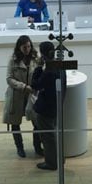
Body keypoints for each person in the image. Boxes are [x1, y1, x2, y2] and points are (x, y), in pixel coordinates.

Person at [3, 35, 42, 158]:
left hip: (31, 94)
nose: (27, 49)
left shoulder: (36, 58)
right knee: (15, 123)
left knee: (37, 122)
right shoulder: (12, 60)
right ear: (19, 47)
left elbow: (42, 72)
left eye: (29, 46)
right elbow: (9, 79)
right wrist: (23, 86)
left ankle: (37, 147)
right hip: (17, 95)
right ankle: (19, 147)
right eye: (25, 47)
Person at [32, 41, 66, 170]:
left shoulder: (48, 71)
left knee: (48, 138)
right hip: (56, 105)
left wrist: (38, 68)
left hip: (46, 109)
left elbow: (35, 84)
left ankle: (51, 163)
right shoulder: (59, 65)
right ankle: (59, 159)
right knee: (54, 135)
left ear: (43, 54)